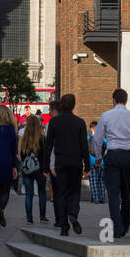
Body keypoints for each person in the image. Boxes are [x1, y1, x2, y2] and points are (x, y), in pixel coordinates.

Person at [92, 87, 130, 240]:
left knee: (114, 194)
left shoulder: (106, 116)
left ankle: (117, 227)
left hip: (113, 155)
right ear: (126, 100)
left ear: (114, 100)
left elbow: (97, 139)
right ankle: (125, 225)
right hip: (128, 156)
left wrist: (97, 156)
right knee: (127, 192)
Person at [44, 93, 89, 236]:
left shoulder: (54, 122)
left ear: (61, 105)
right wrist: (87, 166)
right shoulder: (80, 122)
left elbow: (48, 145)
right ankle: (73, 214)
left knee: (62, 193)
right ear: (74, 105)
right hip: (75, 162)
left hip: (60, 162)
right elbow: (84, 147)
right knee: (75, 190)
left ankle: (64, 226)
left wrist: (45, 166)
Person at [19, 113, 49, 224]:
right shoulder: (43, 139)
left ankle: (29, 218)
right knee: (41, 193)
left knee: (29, 194)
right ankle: (42, 217)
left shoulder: (25, 139)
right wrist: (46, 169)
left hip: (27, 170)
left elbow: (22, 155)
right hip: (40, 169)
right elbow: (45, 155)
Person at [87, 121, 105, 205]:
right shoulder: (103, 139)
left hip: (92, 161)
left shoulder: (88, 138)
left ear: (91, 128)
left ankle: (96, 198)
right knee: (101, 180)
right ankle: (102, 198)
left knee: (93, 181)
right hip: (102, 162)